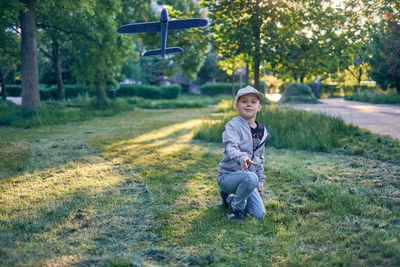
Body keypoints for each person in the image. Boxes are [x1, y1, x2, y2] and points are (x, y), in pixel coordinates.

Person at [218, 85, 269, 221]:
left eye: (253, 102)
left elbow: (260, 158)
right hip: (228, 177)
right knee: (251, 178)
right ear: (236, 105)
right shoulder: (233, 126)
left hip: (249, 179)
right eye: (244, 101)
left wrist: (260, 182)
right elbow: (231, 147)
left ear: (259, 107)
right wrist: (241, 157)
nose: (248, 105)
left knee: (258, 215)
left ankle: (229, 199)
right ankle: (236, 210)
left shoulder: (262, 131)